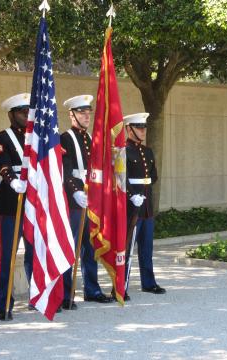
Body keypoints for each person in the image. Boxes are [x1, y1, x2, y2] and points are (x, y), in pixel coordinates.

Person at [60, 95, 114, 309]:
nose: (86, 116)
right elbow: (65, 168)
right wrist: (74, 192)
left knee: (90, 247)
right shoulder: (65, 138)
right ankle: (66, 293)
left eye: (88, 112)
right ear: (71, 115)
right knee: (70, 248)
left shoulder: (92, 139)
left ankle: (92, 290)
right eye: (82, 112)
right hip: (75, 200)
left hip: (91, 200)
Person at [0, 93, 33, 320]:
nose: (26, 116)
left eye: (28, 112)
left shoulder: (35, 136)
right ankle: (3, 302)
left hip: (34, 198)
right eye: (21, 112)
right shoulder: (1, 137)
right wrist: (12, 179)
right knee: (8, 253)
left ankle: (37, 296)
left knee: (35, 252)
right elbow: (2, 163)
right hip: (11, 198)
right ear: (11, 114)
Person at [123, 112, 166, 298]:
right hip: (131, 207)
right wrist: (132, 194)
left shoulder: (147, 151)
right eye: (139, 127)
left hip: (146, 206)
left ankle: (148, 283)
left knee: (146, 247)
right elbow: (120, 177)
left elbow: (153, 175)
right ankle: (121, 285)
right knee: (126, 248)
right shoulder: (123, 151)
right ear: (129, 129)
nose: (143, 131)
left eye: (144, 127)